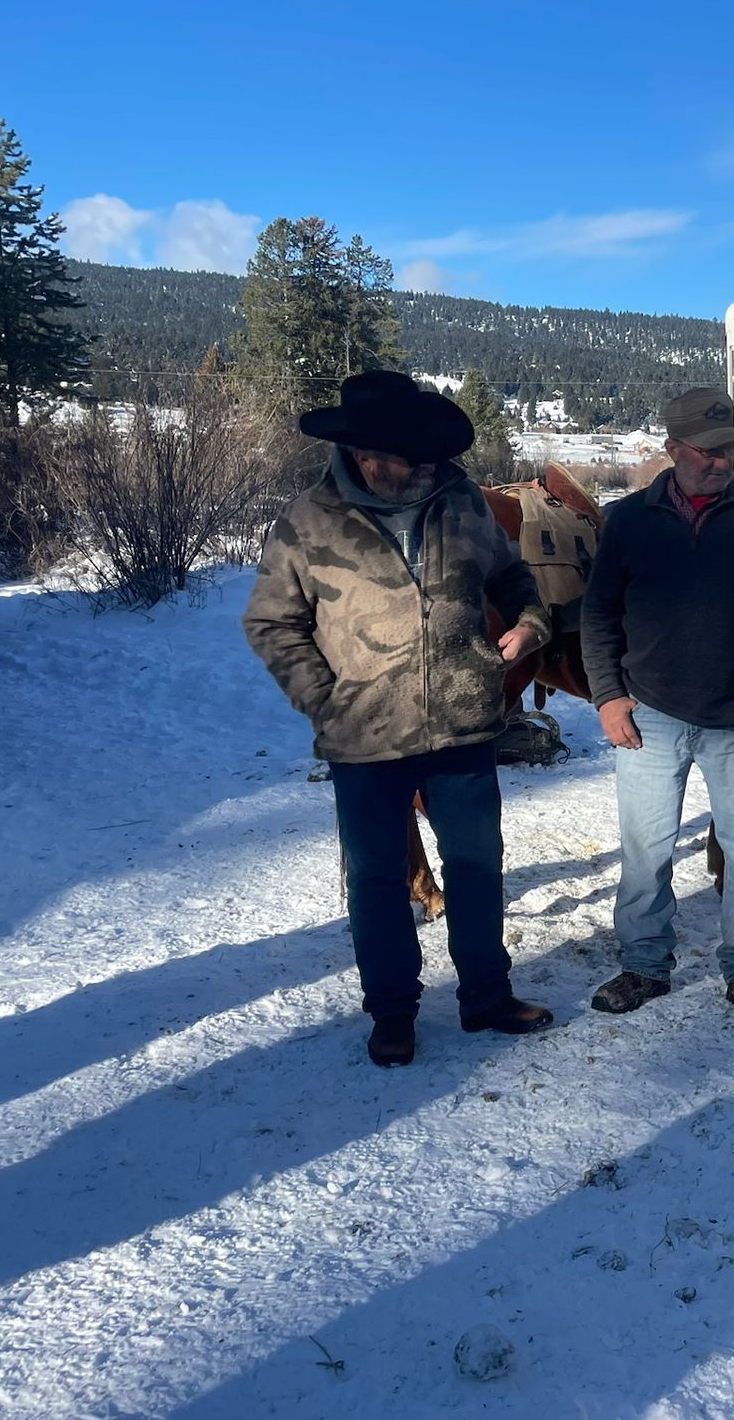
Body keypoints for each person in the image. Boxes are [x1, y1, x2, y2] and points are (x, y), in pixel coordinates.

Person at [244, 370, 556, 1067]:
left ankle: (486, 995)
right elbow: (272, 622)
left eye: (413, 452)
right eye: (387, 452)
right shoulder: (308, 521)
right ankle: (392, 1012)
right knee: (378, 879)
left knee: (476, 867)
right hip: (364, 741)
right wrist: (326, 700)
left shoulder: (464, 502)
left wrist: (532, 622)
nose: (403, 466)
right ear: (356, 449)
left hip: (465, 726)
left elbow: (513, 578)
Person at [581, 386, 734, 1020]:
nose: (719, 461)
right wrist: (607, 698)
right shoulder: (628, 520)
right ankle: (644, 966)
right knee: (645, 851)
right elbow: (598, 615)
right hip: (650, 713)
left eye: (726, 449)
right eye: (706, 450)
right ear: (673, 449)